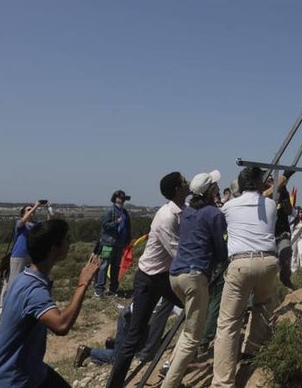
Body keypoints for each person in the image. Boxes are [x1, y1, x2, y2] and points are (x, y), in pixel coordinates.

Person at [0, 219, 99, 388]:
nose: (70, 243)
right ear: (54, 248)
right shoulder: (33, 290)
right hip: (13, 381)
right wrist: (83, 283)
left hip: (31, 371)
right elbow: (61, 325)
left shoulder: (24, 277)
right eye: (66, 239)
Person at [104, 172, 188, 388]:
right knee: (134, 334)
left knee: (194, 308)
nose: (188, 183)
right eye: (184, 181)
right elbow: (178, 254)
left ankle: (173, 368)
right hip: (149, 280)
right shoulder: (166, 217)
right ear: (178, 189)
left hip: (164, 275)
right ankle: (114, 384)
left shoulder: (182, 211)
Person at [211, 166, 279, 388]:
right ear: (260, 184)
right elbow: (266, 198)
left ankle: (223, 382)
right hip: (268, 262)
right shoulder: (269, 205)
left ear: (239, 186)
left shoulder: (229, 207)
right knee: (262, 308)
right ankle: (252, 354)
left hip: (241, 263)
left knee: (229, 322)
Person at [161, 171, 227, 388]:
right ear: (211, 190)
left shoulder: (188, 212)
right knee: (192, 338)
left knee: (189, 329)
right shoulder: (214, 214)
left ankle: (171, 373)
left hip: (176, 275)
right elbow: (220, 248)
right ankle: (169, 384)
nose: (218, 186)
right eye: (215, 185)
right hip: (194, 276)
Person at [0, 201, 45, 309]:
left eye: (32, 210)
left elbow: (48, 224)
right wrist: (36, 206)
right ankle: (6, 304)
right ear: (23, 213)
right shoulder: (19, 223)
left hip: (31, 255)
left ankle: (22, 301)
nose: (32, 212)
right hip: (19, 255)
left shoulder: (36, 225)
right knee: (14, 280)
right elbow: (23, 221)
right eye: (28, 210)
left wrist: (48, 209)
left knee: (29, 278)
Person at [96, 189, 132, 297]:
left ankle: (113, 289)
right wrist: (116, 222)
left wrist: (127, 241)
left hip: (119, 244)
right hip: (108, 243)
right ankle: (99, 290)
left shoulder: (125, 213)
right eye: (120, 197)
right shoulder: (110, 211)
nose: (122, 200)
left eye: (123, 198)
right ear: (115, 198)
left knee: (116, 266)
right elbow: (105, 225)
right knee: (104, 265)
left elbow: (128, 228)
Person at [289, 207, 302, 272]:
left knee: (301, 253)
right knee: (294, 254)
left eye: (301, 213)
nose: (300, 214)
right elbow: (290, 229)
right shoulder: (294, 221)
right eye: (299, 212)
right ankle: (293, 269)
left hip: (301, 238)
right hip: (294, 238)